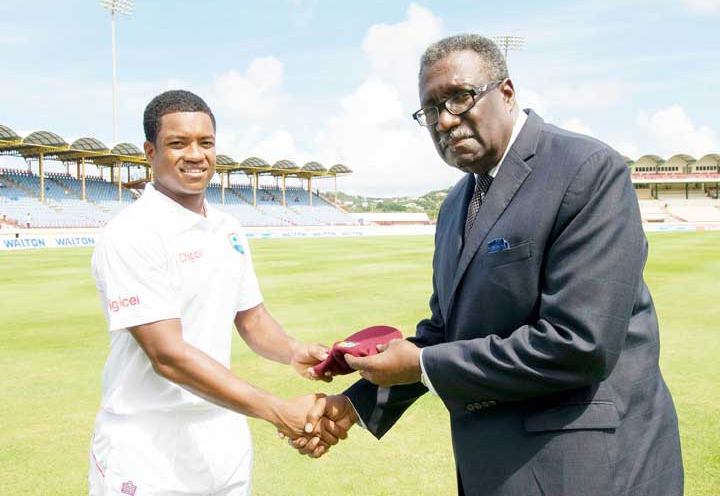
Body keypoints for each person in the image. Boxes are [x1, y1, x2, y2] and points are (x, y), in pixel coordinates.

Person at [298, 34, 683, 495]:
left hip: (585, 471)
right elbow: (446, 334)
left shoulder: (586, 169)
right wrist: (357, 403)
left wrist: (421, 365)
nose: (444, 120)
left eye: (460, 97)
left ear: (506, 92)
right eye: (430, 109)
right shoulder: (456, 204)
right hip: (494, 471)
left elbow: (581, 343)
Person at [88, 90, 339, 496]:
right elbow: (168, 356)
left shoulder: (227, 228)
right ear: (150, 152)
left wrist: (293, 351)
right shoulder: (131, 233)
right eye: (178, 143)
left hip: (223, 442)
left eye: (205, 143)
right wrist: (279, 411)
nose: (195, 154)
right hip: (147, 449)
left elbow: (252, 319)